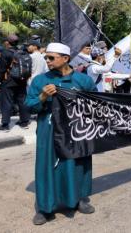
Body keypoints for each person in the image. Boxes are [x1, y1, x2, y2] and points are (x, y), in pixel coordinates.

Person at [25, 43, 97, 225]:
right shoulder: (40, 81)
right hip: (48, 129)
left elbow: (96, 103)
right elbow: (29, 105)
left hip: (76, 130)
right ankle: (45, 207)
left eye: (51, 57)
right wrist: (42, 97)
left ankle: (79, 199)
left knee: (78, 162)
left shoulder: (84, 80)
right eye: (46, 57)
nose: (47, 61)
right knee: (47, 166)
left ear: (65, 59)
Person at [0, 34, 31, 131]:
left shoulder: (6, 53)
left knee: (6, 101)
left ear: (7, 42)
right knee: (22, 100)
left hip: (9, 81)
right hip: (22, 80)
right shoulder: (22, 51)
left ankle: (5, 125)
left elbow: (1, 69)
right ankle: (24, 122)